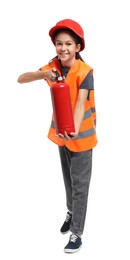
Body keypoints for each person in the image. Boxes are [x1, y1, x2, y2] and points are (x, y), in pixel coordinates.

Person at [17, 18, 98, 253]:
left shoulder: (85, 72)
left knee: (80, 185)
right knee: (68, 180)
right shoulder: (53, 66)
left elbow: (81, 104)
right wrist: (43, 74)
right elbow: (21, 78)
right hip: (62, 134)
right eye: (59, 43)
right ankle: (70, 213)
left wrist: (72, 129)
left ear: (78, 47)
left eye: (69, 44)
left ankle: (77, 233)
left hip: (81, 136)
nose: (63, 48)